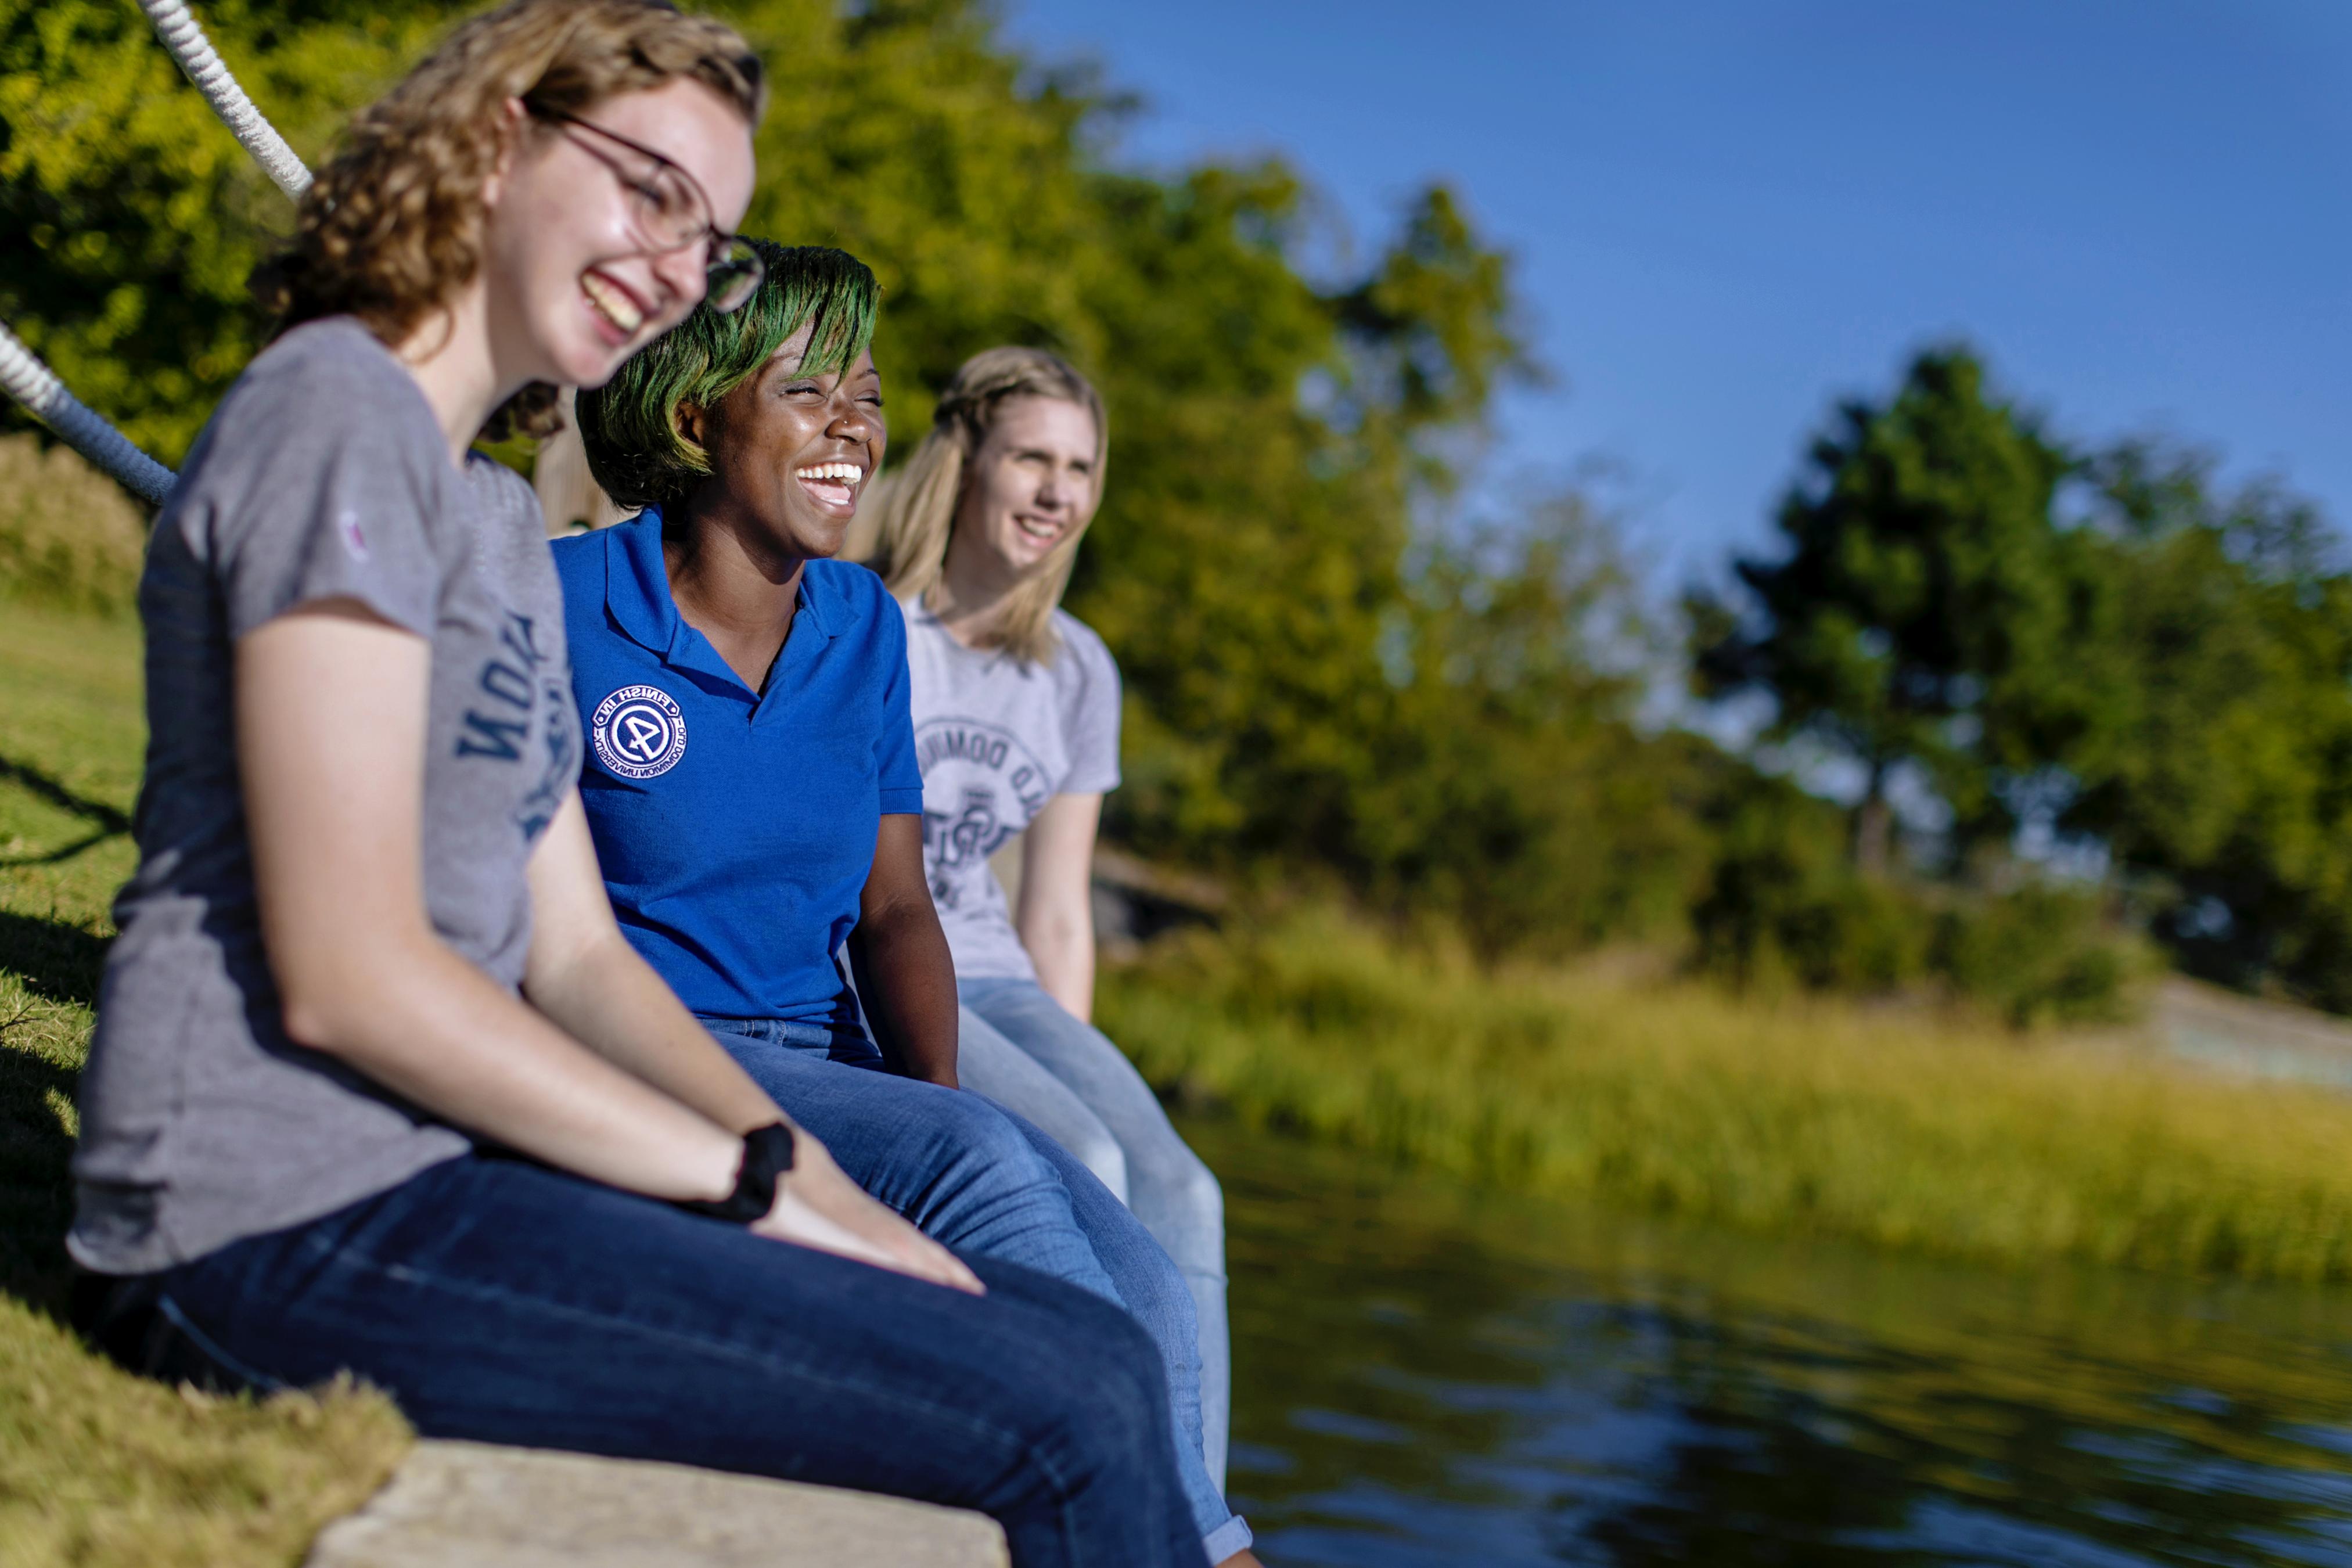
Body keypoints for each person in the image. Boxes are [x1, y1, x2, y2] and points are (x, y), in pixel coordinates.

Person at [64, 6, 1202, 1563]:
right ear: (492, 141)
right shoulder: (335, 423)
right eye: (649, 187)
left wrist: (833, 1193)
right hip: (260, 1226)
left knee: (1095, 1348)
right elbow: (346, 978)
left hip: (428, 1178)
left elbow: (581, 953)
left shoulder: (477, 519)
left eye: (710, 228)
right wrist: (751, 1180)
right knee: (1062, 1407)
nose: (678, 260)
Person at [563, 242, 1257, 1567]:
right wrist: (950, 1148)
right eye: (811, 391)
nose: (854, 427)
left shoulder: (859, 627)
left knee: (1151, 1275)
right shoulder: (563, 602)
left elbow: (895, 912)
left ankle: (1208, 1545)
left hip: (823, 1050)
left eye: (868, 394)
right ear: (697, 413)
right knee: (990, 1169)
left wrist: (929, 1103)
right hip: (655, 1043)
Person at [864, 346, 1237, 1486]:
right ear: (966, 459)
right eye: (1032, 457)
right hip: (882, 956)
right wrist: (1060, 1121)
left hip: (1005, 973)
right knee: (1074, 1156)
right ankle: (1099, 1483)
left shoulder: (1077, 670)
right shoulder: (871, 620)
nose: (1057, 492)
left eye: (1080, 468)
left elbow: (1060, 907)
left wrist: (1073, 1060)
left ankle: (1193, 1507)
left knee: (1179, 1187)